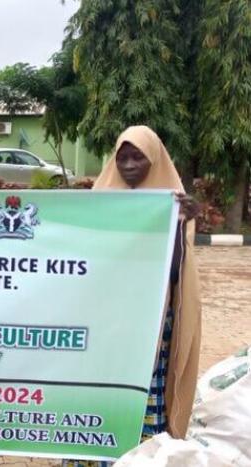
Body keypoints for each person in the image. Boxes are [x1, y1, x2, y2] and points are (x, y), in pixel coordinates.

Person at [62, 125, 202, 467]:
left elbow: (176, 280)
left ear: (153, 159)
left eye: (137, 156)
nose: (128, 164)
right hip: (102, 328)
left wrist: (180, 226)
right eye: (122, 157)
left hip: (150, 329)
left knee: (142, 399)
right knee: (97, 396)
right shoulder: (100, 201)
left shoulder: (174, 205)